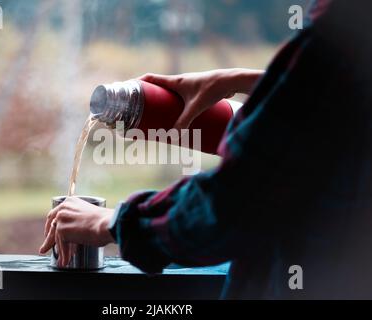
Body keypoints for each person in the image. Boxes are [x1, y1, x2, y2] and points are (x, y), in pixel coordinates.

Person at [40, 0, 372, 299]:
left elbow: (232, 204)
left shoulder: (331, 42)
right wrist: (244, 79)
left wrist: (110, 223)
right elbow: (327, 128)